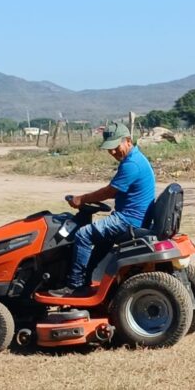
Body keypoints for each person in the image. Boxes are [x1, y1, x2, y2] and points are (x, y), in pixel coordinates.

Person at [50, 121, 156, 297]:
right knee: (101, 239)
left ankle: (75, 286)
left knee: (83, 235)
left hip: (128, 219)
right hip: (132, 217)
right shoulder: (134, 159)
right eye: (109, 148)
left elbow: (109, 191)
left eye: (115, 147)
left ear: (128, 140)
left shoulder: (132, 164)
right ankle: (86, 278)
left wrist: (81, 199)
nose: (113, 152)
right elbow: (115, 192)